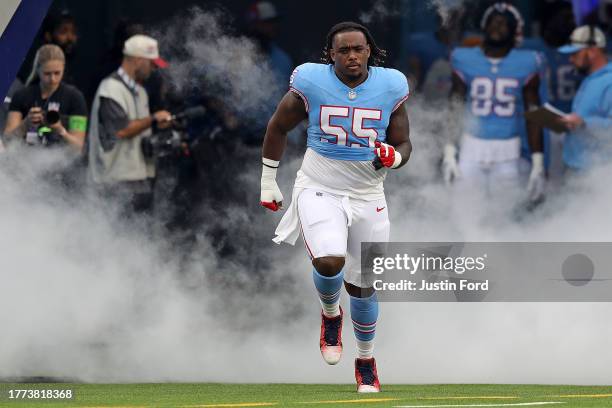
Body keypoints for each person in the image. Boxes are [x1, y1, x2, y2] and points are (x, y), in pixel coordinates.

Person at [260, 22, 411, 393]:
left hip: (368, 194)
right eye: (343, 50)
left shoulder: (390, 85)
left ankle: (366, 360)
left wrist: (394, 158)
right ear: (330, 54)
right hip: (320, 186)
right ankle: (330, 313)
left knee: (363, 285)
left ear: (369, 51)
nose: (352, 56)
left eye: (358, 49)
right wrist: (268, 180)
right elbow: (278, 127)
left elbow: (404, 142)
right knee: (328, 259)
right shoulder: (311, 81)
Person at [442, 2, 545, 204]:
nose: (497, 28)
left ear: (515, 31)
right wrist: (449, 151)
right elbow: (455, 106)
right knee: (465, 211)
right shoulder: (464, 58)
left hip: (508, 149)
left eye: (503, 23)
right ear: (484, 26)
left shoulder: (528, 61)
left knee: (504, 214)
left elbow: (534, 114)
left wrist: (538, 162)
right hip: (471, 146)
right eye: (492, 22)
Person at [87, 34, 172, 213]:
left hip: (139, 182)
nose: (154, 68)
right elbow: (121, 130)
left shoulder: (141, 92)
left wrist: (158, 128)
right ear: (138, 60)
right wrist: (154, 118)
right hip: (115, 184)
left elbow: (140, 130)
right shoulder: (110, 88)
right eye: (151, 63)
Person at [521, 0, 579, 180]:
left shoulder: (579, 51)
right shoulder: (531, 48)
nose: (564, 23)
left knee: (570, 177)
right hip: (544, 121)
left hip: (571, 122)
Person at [4, 44, 87, 150]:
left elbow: (78, 147)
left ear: (63, 67)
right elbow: (7, 140)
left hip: (62, 162)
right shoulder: (22, 95)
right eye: (47, 73)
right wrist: (26, 124)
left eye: (57, 73)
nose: (52, 79)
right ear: (38, 70)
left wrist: (60, 130)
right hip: (25, 159)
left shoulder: (75, 97)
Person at [557, 25, 612, 171]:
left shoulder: (610, 81)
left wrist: (584, 123)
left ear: (592, 51)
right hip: (575, 168)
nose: (570, 59)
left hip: (596, 173)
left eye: (575, 53)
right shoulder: (590, 79)